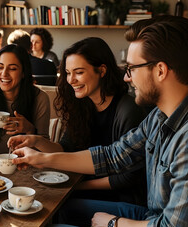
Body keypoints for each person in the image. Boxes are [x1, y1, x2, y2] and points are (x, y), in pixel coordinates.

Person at [10, 16, 188, 227]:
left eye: (131, 68)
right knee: (57, 210)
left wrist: (114, 224)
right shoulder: (158, 118)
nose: (126, 77)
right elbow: (112, 156)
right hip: (151, 216)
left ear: (160, 71)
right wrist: (39, 158)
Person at [9, 37, 147, 206]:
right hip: (82, 190)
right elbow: (66, 149)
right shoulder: (82, 104)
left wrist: (77, 187)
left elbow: (128, 177)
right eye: (68, 73)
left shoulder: (127, 110)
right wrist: (36, 141)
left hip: (119, 199)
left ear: (102, 71)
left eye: (79, 72)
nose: (70, 80)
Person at [0, 44, 50, 156]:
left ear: (23, 73)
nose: (4, 74)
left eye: (12, 69)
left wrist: (30, 130)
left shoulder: (40, 98)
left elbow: (45, 151)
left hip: (26, 163)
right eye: (0, 67)